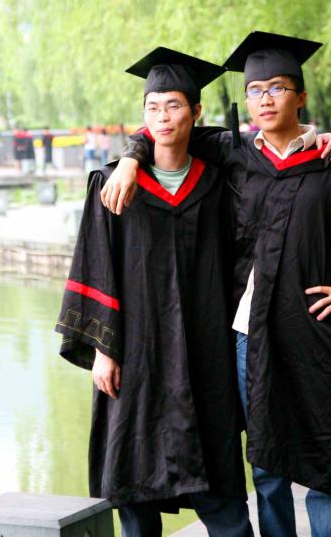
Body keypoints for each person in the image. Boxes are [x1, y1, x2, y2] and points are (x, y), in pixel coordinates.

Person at [104, 31, 331, 537]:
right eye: (255, 91)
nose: (265, 99)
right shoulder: (234, 153)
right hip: (248, 335)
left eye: (277, 88)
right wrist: (129, 158)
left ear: (300, 96)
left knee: (328, 450)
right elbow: (165, 127)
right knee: (266, 458)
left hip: (317, 332)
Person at [56, 47, 253, 537]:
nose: (163, 117)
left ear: (196, 112)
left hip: (204, 353)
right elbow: (95, 263)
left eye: (174, 106)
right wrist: (103, 349)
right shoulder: (113, 186)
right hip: (136, 356)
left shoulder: (218, 183)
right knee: (136, 496)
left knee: (224, 502)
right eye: (153, 107)